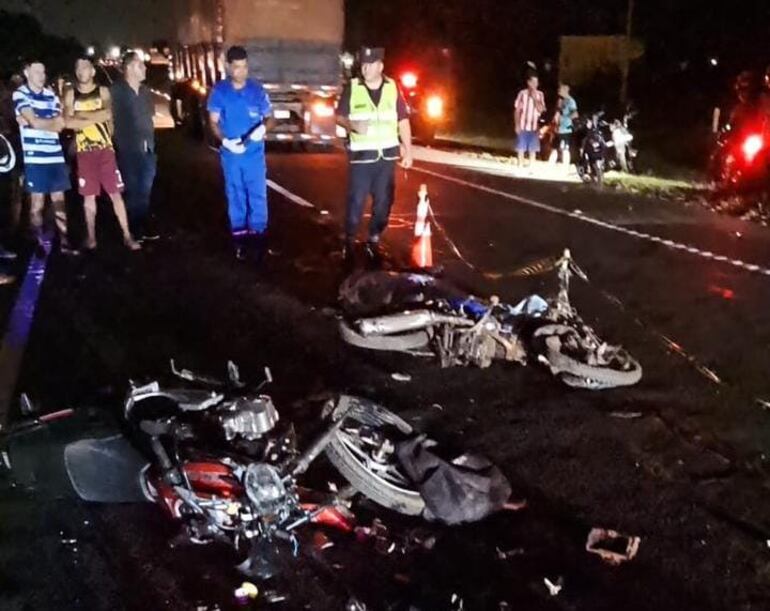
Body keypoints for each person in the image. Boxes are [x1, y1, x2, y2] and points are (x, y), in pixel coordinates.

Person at [336, 46, 413, 265]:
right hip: (362, 158)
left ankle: (374, 239)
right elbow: (339, 117)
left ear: (380, 66)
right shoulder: (353, 88)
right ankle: (349, 242)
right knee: (356, 203)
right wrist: (353, 125)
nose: (366, 68)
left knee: (384, 204)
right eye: (364, 64)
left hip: (386, 159)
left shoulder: (392, 88)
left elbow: (403, 120)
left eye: (370, 64)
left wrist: (408, 149)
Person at [63, 56, 140, 251]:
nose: (81, 71)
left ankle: (127, 235)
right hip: (84, 152)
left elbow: (107, 115)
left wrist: (79, 118)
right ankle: (91, 237)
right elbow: (67, 122)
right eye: (78, 67)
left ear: (93, 71)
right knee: (88, 197)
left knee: (115, 194)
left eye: (85, 67)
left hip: (105, 150)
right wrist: (93, 118)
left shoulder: (103, 91)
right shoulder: (71, 94)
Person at [207, 45, 275, 262]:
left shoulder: (257, 90)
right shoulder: (220, 92)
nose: (242, 71)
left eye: (245, 66)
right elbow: (213, 122)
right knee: (236, 196)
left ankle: (258, 240)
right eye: (237, 67)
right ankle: (239, 241)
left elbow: (270, 117)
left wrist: (264, 128)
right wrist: (225, 140)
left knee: (258, 196)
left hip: (254, 155)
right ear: (228, 67)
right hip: (232, 155)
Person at [12, 59, 76, 255]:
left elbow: (60, 123)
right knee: (36, 204)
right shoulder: (20, 93)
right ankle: (36, 242)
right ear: (26, 72)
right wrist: (40, 123)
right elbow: (40, 122)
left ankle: (65, 242)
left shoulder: (51, 95)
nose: (42, 75)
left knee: (59, 202)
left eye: (43, 71)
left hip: (55, 156)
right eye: (37, 71)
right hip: (35, 158)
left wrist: (35, 122)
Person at [111, 51, 157, 242]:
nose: (145, 68)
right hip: (128, 148)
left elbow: (149, 117)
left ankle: (143, 223)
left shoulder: (146, 92)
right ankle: (133, 228)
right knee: (132, 188)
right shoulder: (117, 91)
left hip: (148, 149)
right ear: (129, 67)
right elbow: (110, 119)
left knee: (145, 188)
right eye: (140, 65)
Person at [514, 74, 546, 169]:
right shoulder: (522, 94)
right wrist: (517, 124)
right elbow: (517, 110)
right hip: (523, 125)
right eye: (533, 82)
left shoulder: (540, 95)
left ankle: (531, 167)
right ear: (528, 83)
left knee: (533, 148)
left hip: (534, 126)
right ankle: (520, 165)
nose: (535, 84)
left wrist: (535, 98)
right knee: (521, 147)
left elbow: (541, 109)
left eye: (536, 82)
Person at [548, 84, 578, 167]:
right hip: (558, 128)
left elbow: (575, 114)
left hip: (566, 129)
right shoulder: (560, 100)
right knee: (554, 147)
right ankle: (550, 164)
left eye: (561, 89)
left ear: (566, 90)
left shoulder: (571, 101)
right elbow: (557, 112)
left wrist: (566, 118)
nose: (559, 90)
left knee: (565, 148)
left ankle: (565, 166)